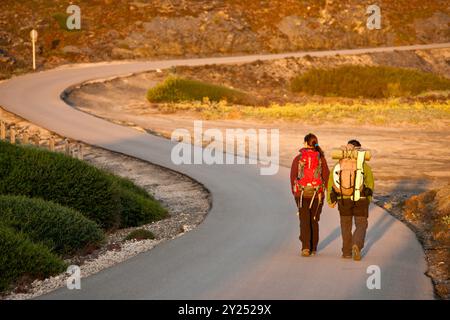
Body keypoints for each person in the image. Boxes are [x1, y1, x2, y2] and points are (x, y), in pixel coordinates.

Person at [327, 139, 374, 261]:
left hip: (343, 199)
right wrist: (368, 199)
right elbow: (370, 183)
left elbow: (331, 182)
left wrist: (330, 200)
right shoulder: (364, 165)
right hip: (361, 199)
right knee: (361, 224)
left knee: (345, 226)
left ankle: (346, 252)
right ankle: (356, 245)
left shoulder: (339, 165)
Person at [290, 133, 330, 257]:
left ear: (306, 143)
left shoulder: (298, 158)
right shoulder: (321, 158)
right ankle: (313, 248)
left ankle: (305, 247)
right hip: (317, 194)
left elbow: (293, 176)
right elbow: (326, 176)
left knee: (304, 221)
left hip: (301, 194)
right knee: (314, 220)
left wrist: (295, 193)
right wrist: (327, 194)